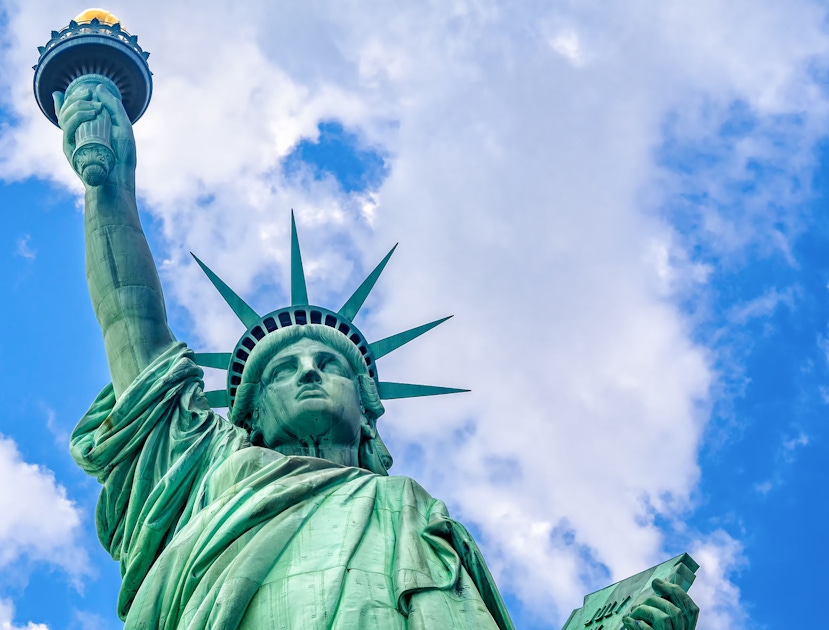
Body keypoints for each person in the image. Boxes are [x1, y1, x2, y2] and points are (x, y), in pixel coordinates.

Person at [56, 84, 699, 630]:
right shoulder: (207, 472)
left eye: (329, 364)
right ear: (248, 415)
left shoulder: (415, 515)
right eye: (282, 370)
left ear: (368, 414)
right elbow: (132, 323)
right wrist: (111, 186)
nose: (308, 370)